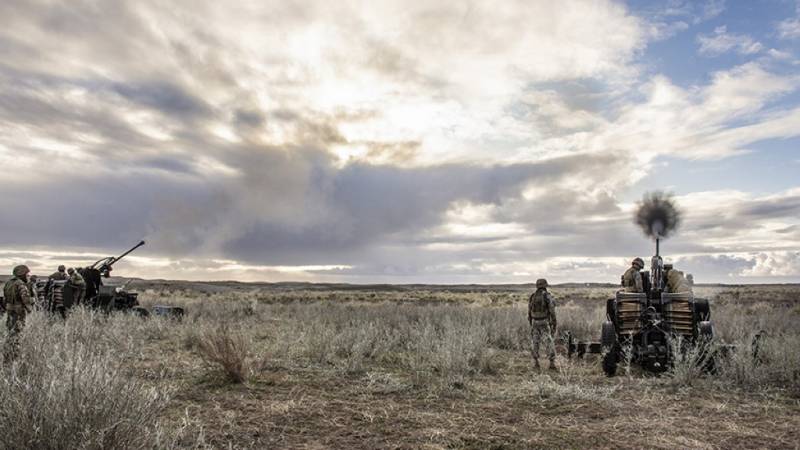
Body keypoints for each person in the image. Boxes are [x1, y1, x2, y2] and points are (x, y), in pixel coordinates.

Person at [3, 265, 33, 363]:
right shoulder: (20, 284)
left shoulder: (8, 282)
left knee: (10, 330)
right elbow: (25, 298)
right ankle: (14, 355)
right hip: (19, 311)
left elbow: (4, 299)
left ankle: (7, 352)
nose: (28, 276)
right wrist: (30, 307)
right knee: (18, 332)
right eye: (27, 274)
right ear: (22, 274)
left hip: (9, 309)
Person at [528, 278, 558, 370]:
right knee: (548, 341)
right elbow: (552, 310)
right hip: (544, 321)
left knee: (535, 341)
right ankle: (552, 363)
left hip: (534, 322)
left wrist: (531, 322)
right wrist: (554, 322)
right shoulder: (547, 296)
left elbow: (529, 311)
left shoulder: (533, 296)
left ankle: (536, 362)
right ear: (545, 286)